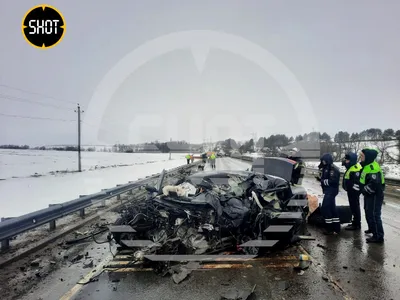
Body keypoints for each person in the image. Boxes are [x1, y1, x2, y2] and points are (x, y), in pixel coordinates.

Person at [359, 148, 385, 243]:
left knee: (374, 215)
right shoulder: (366, 166)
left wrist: (364, 190)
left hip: (374, 195)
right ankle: (372, 229)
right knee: (368, 212)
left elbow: (373, 185)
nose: (360, 158)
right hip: (369, 195)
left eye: (362, 156)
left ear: (368, 157)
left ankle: (378, 236)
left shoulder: (373, 168)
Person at [319, 153, 341, 235]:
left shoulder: (332, 169)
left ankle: (329, 228)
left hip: (331, 191)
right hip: (328, 190)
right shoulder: (326, 167)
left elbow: (333, 181)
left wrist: (323, 182)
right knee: (332, 209)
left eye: (324, 161)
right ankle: (336, 228)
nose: (323, 162)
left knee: (325, 208)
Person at [342, 152, 362, 230]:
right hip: (351, 191)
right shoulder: (351, 167)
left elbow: (356, 182)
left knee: (355, 207)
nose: (346, 161)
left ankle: (356, 224)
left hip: (354, 192)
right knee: (354, 207)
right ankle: (355, 222)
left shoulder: (355, 169)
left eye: (347, 160)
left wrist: (352, 188)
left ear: (351, 160)